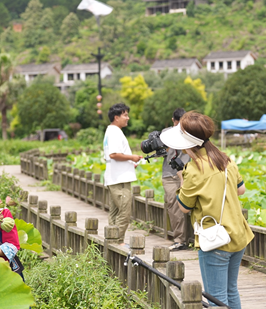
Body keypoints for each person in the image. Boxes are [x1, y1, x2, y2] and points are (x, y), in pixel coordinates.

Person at [160, 111, 254, 309]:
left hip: (216, 240)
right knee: (230, 291)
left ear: (187, 142)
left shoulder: (194, 170)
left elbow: (184, 207)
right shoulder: (225, 159)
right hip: (238, 234)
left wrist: (181, 177)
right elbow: (241, 190)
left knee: (216, 297)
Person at [103, 103, 144, 246]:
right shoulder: (114, 131)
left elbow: (112, 156)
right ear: (116, 117)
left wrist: (131, 160)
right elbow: (114, 154)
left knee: (114, 213)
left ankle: (112, 241)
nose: (128, 118)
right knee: (124, 212)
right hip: (119, 179)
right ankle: (117, 242)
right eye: (125, 115)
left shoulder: (111, 131)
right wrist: (131, 157)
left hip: (114, 176)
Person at [163, 108, 191, 251]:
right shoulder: (165, 134)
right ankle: (180, 240)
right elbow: (158, 152)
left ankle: (195, 239)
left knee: (194, 204)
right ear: (173, 121)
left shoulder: (191, 132)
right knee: (174, 207)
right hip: (170, 175)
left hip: (189, 173)